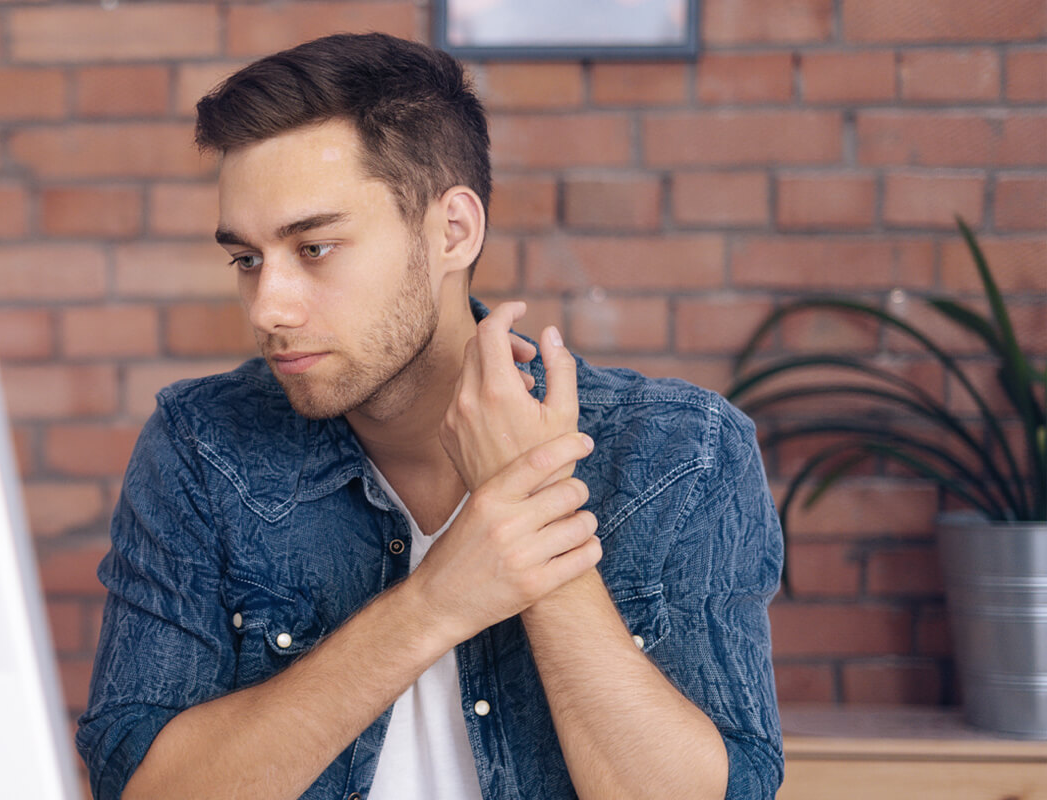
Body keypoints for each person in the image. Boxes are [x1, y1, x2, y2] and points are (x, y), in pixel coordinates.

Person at [75, 32, 783, 800]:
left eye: (314, 248)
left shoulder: (679, 452)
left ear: (453, 231)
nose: (268, 307)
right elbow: (138, 790)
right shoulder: (203, 447)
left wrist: (533, 517)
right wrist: (434, 603)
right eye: (247, 260)